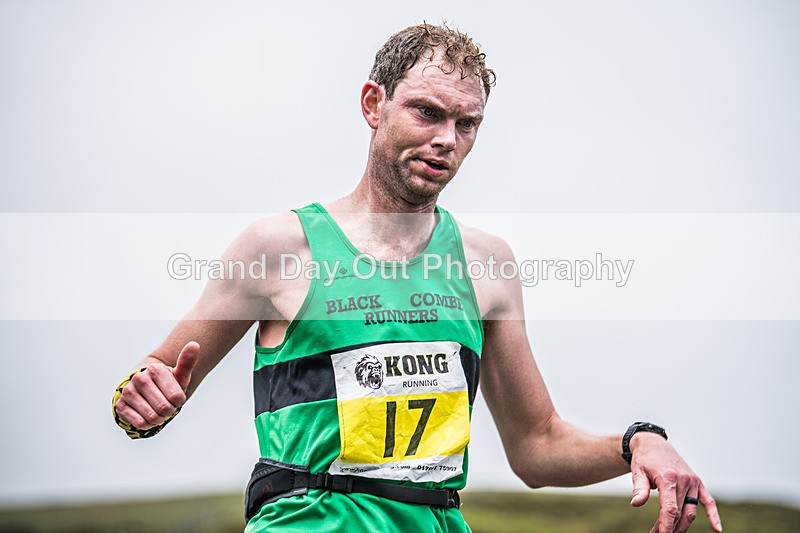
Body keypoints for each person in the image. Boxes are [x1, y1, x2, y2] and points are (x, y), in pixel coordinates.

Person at [112, 23, 722, 533]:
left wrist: (639, 441)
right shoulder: (278, 247)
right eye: (426, 112)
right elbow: (145, 396)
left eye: (466, 124)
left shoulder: (488, 264)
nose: (445, 141)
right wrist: (140, 404)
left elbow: (536, 447)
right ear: (374, 105)